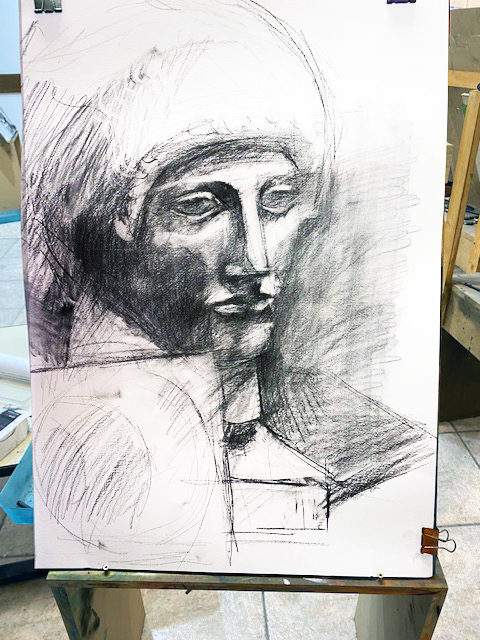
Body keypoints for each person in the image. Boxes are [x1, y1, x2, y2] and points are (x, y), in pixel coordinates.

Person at [26, 0, 433, 567]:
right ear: (105, 222)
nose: (254, 259)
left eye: (278, 199)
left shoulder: (380, 456)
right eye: (200, 205)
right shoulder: (89, 456)